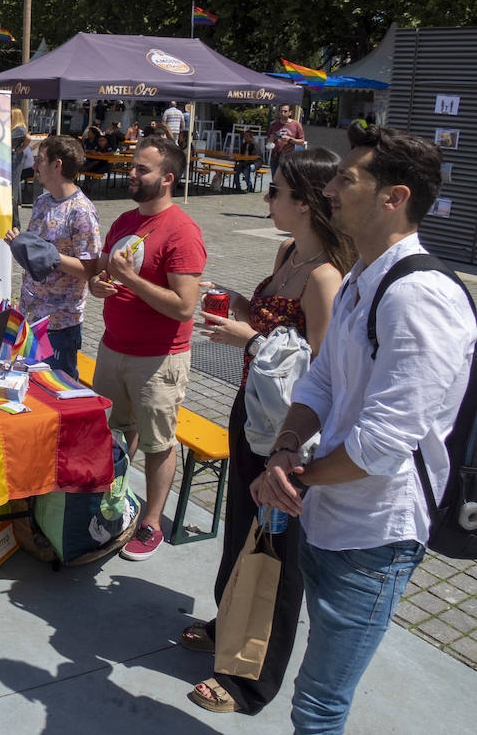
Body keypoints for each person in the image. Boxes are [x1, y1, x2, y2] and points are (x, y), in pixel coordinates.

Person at [250, 123, 475, 733]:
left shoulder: (420, 296)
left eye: (346, 179)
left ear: (392, 197)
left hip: (376, 535)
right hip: (327, 514)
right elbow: (320, 381)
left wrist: (291, 477)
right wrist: (286, 449)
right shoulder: (360, 278)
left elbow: (384, 444)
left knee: (319, 702)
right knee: (315, 689)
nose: (329, 190)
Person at [183, 148, 350, 715]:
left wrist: (249, 340)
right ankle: (229, 624)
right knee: (238, 530)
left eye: (275, 190)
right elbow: (273, 321)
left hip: (290, 436)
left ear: (305, 202)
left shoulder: (327, 276)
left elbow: (325, 373)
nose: (266, 198)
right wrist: (239, 308)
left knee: (276, 553)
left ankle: (252, 677)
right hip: (253, 413)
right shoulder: (287, 252)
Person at [88, 135, 206, 561]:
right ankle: (113, 500)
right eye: (133, 166)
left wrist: (130, 279)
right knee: (117, 432)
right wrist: (99, 284)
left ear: (168, 178)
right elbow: (103, 275)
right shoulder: (123, 222)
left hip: (160, 358)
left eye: (143, 170)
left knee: (158, 443)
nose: (132, 174)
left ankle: (151, 523)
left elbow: (184, 306)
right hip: (112, 347)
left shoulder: (182, 232)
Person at [6, 135, 101, 376]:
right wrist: (20, 244)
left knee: (57, 389)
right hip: (30, 315)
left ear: (57, 165)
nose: (35, 165)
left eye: (40, 160)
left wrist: (52, 256)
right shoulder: (41, 201)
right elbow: (36, 251)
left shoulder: (81, 211)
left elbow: (90, 269)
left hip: (59, 324)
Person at [268, 104, 306, 175]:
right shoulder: (274, 125)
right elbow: (267, 142)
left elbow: (301, 142)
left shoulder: (296, 125)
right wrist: (272, 138)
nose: (283, 113)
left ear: (290, 112)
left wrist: (290, 139)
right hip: (275, 157)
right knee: (275, 181)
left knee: (286, 182)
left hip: (288, 158)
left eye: (285, 111)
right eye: (281, 111)